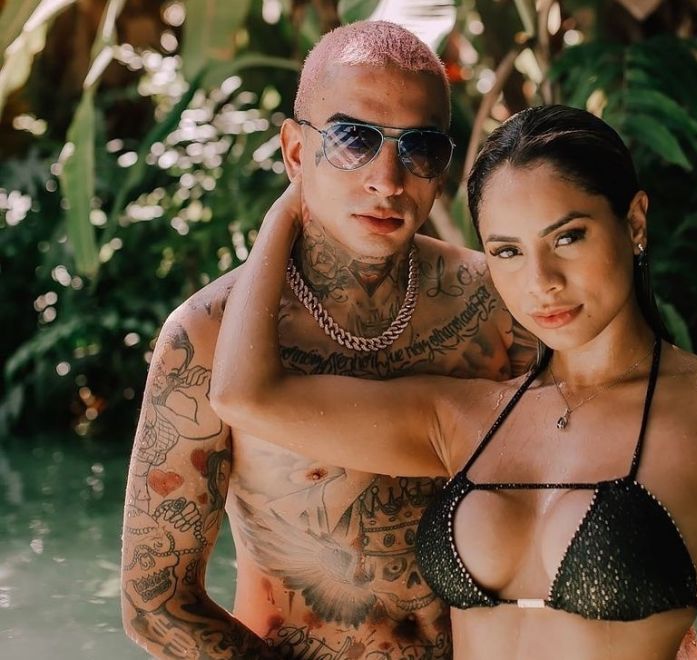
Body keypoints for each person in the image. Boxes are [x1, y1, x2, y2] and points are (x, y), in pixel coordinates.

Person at [210, 104, 697, 660]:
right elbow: (245, 395)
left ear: (635, 222)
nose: (542, 281)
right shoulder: (462, 417)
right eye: (507, 251)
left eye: (569, 236)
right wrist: (295, 199)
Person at [120, 21, 538, 659]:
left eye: (421, 147)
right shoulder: (206, 337)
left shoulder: (498, 305)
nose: (388, 180)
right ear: (295, 152)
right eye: (352, 140)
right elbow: (156, 603)